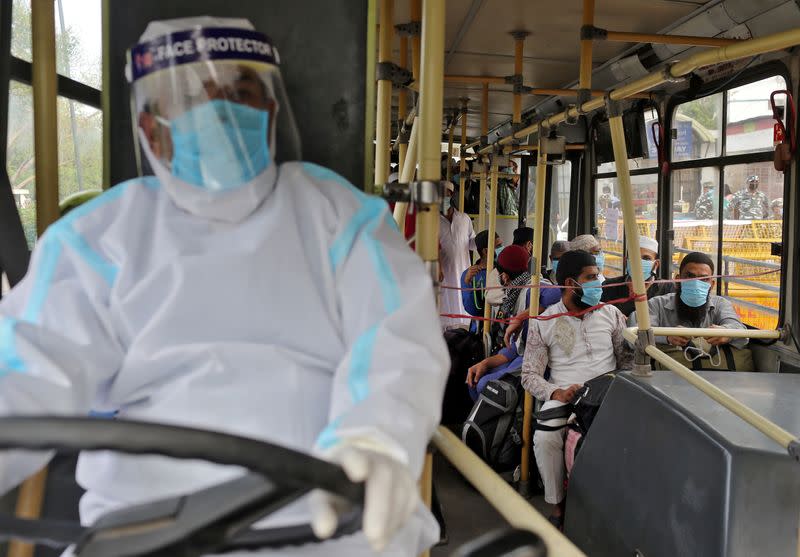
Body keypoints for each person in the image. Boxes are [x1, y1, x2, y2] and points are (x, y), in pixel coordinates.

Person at [0, 17, 449, 557]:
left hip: (334, 519)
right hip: (146, 530)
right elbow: (27, 370)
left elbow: (397, 347)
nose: (215, 112)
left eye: (236, 94)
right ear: (148, 127)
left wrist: (377, 437)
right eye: (189, 98)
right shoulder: (97, 240)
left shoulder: (342, 218)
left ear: (270, 111)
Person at [522, 250, 632, 528]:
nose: (600, 282)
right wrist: (554, 393)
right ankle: (558, 504)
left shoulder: (612, 314)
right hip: (566, 395)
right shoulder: (544, 321)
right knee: (545, 438)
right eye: (592, 278)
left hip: (609, 391)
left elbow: (626, 361)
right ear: (571, 283)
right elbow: (529, 375)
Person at [629, 251, 747, 349]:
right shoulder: (656, 304)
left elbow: (740, 331)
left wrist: (725, 333)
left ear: (712, 284)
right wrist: (667, 337)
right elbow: (634, 335)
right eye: (690, 276)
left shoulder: (721, 304)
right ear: (678, 280)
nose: (696, 283)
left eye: (704, 279)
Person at [601, 236, 673, 317]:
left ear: (655, 265)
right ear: (626, 262)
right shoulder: (608, 287)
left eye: (646, 258)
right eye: (633, 257)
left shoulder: (667, 289)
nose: (639, 262)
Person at [440, 181, 477, 329]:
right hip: (443, 274)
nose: (443, 196)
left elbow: (472, 242)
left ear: (452, 195)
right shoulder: (428, 221)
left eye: (447, 193)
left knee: (462, 315)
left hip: (462, 272)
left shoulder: (464, 219)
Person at [460, 230, 500, 331]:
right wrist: (468, 283)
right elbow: (472, 310)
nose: (502, 249)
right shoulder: (470, 275)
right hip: (480, 330)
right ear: (486, 251)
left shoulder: (503, 271)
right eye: (498, 246)